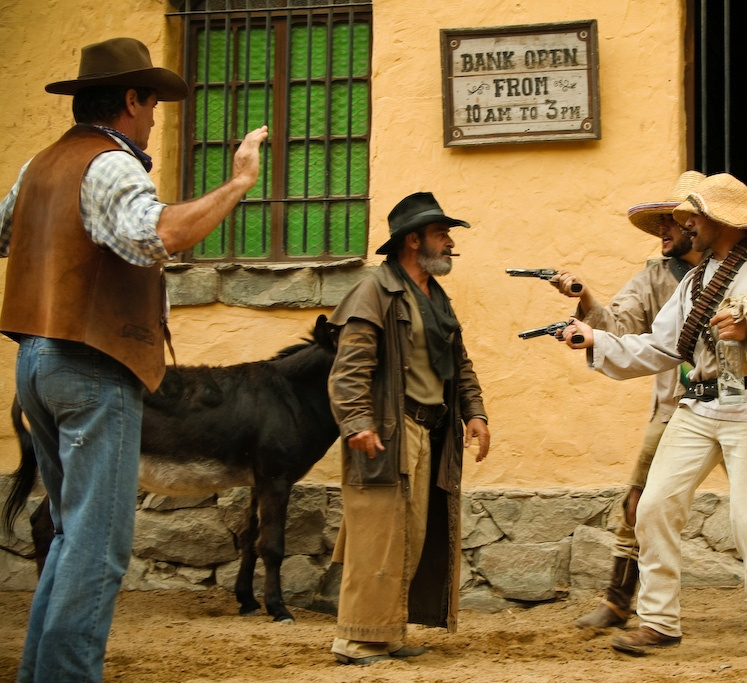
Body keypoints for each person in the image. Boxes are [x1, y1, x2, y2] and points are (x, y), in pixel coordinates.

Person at [0, 37, 267, 683]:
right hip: (91, 365)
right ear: (129, 99)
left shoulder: (41, 163)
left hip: (36, 363)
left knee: (70, 535)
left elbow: (5, 232)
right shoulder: (112, 163)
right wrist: (238, 182)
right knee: (96, 545)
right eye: (151, 105)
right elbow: (161, 234)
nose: (153, 119)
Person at [560, 173, 747, 665]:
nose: (684, 225)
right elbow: (662, 347)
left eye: (692, 217)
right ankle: (659, 621)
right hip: (697, 406)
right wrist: (598, 340)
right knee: (654, 507)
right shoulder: (694, 281)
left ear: (719, 220)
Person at [327, 192, 490, 666]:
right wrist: (357, 422)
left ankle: (387, 633)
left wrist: (475, 413)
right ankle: (356, 641)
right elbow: (349, 370)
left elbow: (459, 363)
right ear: (412, 241)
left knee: (409, 537)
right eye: (441, 234)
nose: (450, 242)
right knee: (376, 539)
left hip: (428, 432)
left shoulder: (435, 298)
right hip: (386, 434)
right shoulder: (374, 291)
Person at [547, 171, 706, 629]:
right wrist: (584, 297)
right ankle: (618, 602)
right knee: (638, 502)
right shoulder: (655, 278)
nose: (663, 230)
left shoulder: (735, 270)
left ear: (695, 224)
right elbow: (616, 328)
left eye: (671, 221)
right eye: (661, 222)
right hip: (675, 406)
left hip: (741, 401)